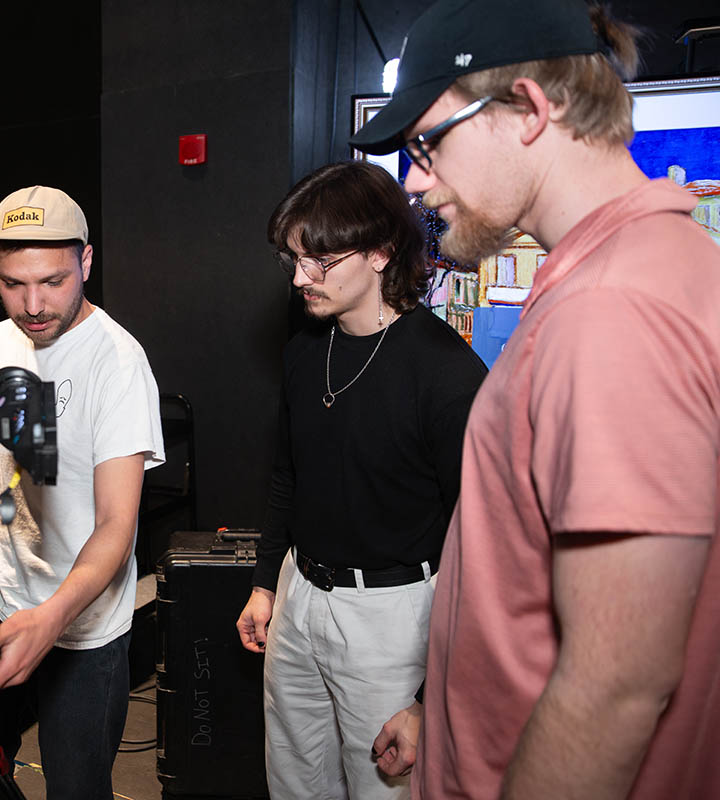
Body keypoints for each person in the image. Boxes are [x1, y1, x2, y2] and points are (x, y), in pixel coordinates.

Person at [351, 2, 720, 797]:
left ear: (527, 109)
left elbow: (617, 684)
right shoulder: (640, 266)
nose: (414, 178)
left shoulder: (612, 310)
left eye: (426, 142)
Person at [235, 160, 486, 799]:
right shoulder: (302, 350)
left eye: (317, 261)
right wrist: (267, 583)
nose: (299, 278)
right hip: (298, 598)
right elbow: (287, 477)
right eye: (291, 259)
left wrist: (433, 695)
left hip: (393, 620)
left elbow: (480, 546)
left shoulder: (447, 373)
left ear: (379, 252)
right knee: (293, 786)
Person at [0, 185, 164, 799]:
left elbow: (116, 526)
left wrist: (52, 620)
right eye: (11, 283)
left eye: (51, 281)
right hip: (4, 601)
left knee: (76, 789)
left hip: (81, 628)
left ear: (87, 262)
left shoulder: (119, 364)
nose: (32, 304)